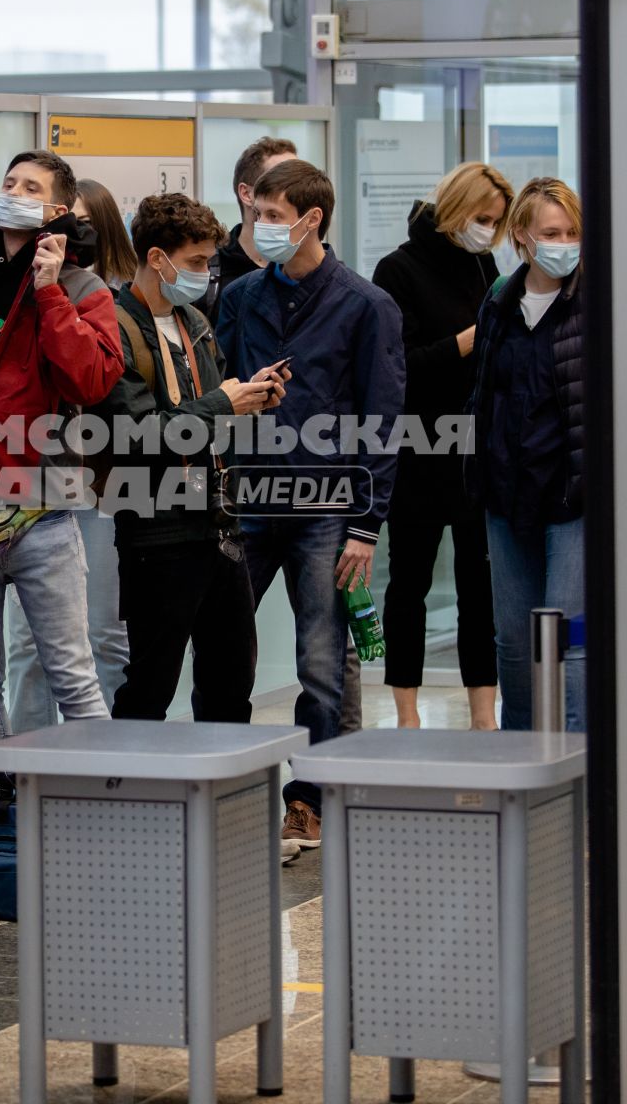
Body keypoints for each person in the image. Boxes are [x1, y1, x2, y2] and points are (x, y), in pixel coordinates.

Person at [217, 159, 405, 855]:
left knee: (321, 665)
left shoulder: (365, 305)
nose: (260, 226)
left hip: (327, 508)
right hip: (249, 501)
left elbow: (383, 420)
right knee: (226, 656)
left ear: (311, 219)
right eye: (256, 214)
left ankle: (311, 802)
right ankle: (232, 796)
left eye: (272, 215)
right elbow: (223, 390)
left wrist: (366, 524)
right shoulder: (239, 296)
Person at [93, 192, 286, 723]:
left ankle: (225, 803)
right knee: (151, 682)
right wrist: (224, 401)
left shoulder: (194, 323)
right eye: (197, 262)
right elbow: (140, 434)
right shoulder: (115, 327)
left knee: (231, 680)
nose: (205, 273)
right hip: (158, 531)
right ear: (159, 258)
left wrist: (249, 399)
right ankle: (129, 797)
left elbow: (207, 419)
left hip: (220, 523)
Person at [0, 150, 122, 744]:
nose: (13, 191)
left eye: (30, 186)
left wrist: (48, 291)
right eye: (9, 181)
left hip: (43, 507)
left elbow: (89, 379)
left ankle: (104, 804)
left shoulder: (82, 287)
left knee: (74, 674)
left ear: (57, 210)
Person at [371, 162, 509, 731]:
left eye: (497, 223)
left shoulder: (484, 265)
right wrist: (464, 342)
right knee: (410, 584)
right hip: (418, 448)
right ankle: (406, 712)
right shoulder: (397, 270)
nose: (487, 231)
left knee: (482, 588)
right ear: (454, 210)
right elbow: (394, 367)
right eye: (481, 219)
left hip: (476, 448)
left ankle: (484, 712)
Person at [466, 177, 588, 732]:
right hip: (506, 493)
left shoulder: (597, 305)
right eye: (550, 232)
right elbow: (483, 395)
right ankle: (520, 766)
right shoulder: (499, 301)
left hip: (574, 497)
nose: (562, 242)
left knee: (567, 638)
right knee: (513, 643)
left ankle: (578, 775)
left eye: (571, 232)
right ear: (521, 236)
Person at [207, 135, 299, 316]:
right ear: (247, 194)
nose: (296, 194)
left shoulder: (310, 269)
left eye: (300, 184)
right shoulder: (208, 271)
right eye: (282, 183)